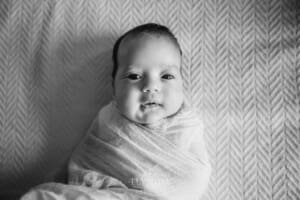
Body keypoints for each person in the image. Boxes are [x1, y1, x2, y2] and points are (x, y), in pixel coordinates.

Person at [21, 23, 211, 200]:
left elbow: (195, 175)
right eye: (134, 76)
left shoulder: (187, 124)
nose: (151, 86)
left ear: (182, 84)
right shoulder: (109, 120)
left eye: (167, 76)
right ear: (114, 88)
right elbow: (87, 166)